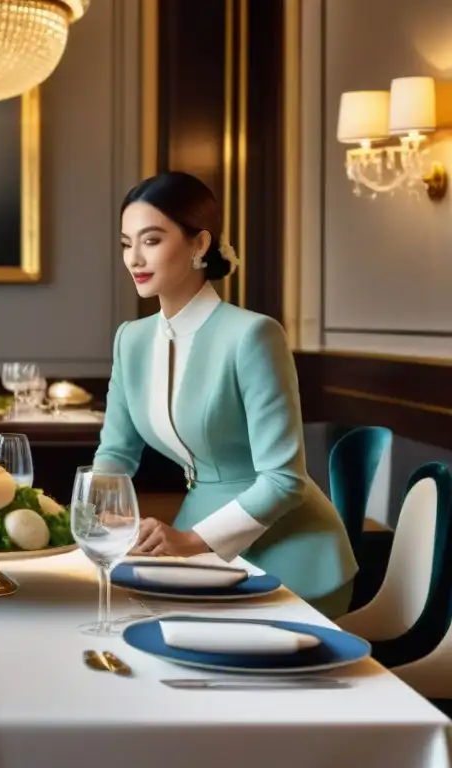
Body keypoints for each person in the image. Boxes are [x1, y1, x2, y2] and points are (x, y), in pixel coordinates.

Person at [95, 171, 357, 618]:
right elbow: (116, 452)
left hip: (292, 552)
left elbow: (284, 480)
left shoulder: (253, 335)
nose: (134, 258)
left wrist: (191, 541)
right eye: (125, 243)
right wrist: (94, 514)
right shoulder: (130, 340)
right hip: (195, 545)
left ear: (199, 244)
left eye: (151, 240)